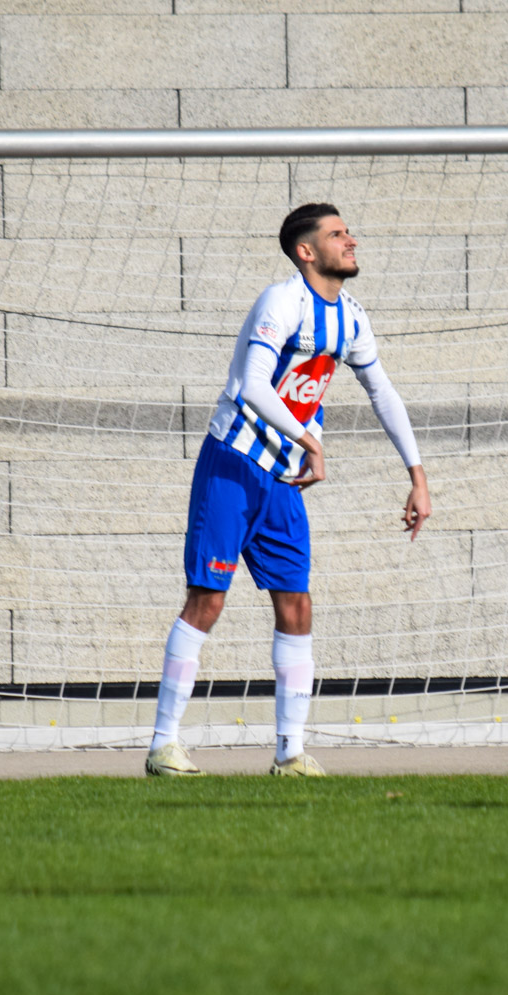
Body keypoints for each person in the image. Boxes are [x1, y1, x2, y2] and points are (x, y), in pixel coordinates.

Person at [145, 203, 431, 778]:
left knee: (296, 605)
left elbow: (382, 392)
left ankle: (290, 754)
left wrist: (417, 476)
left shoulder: (351, 317)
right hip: (232, 464)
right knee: (208, 600)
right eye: (337, 234)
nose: (351, 240)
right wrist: (311, 441)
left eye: (348, 231)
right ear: (306, 251)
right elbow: (253, 385)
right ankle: (163, 746)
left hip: (283, 478)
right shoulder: (281, 302)